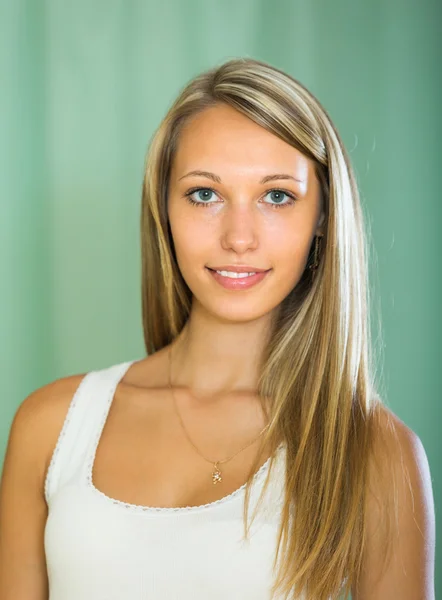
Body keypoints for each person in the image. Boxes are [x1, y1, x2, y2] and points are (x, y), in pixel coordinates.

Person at [0, 57, 435, 600]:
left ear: (323, 215)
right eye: (205, 194)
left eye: (277, 196)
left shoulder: (376, 453)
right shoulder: (51, 426)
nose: (238, 237)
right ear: (164, 207)